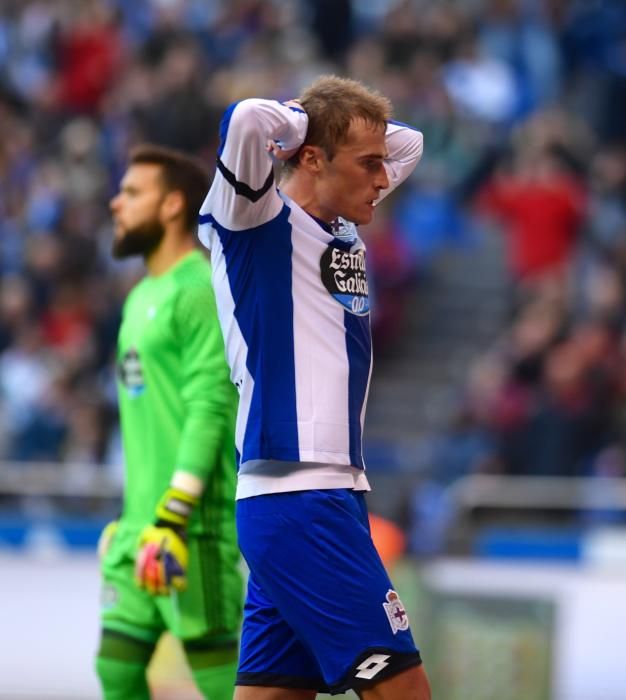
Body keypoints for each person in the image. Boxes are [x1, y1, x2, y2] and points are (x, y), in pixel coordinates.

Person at [198, 75, 431, 699]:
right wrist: (312, 119)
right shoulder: (251, 219)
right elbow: (249, 118)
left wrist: (345, 126)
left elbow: (411, 145)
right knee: (404, 691)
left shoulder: (343, 220)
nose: (385, 179)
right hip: (300, 494)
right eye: (368, 165)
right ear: (309, 157)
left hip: (320, 495)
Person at [96, 144, 242, 700]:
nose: (117, 203)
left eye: (133, 193)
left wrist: (173, 515)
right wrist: (135, 517)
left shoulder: (199, 289)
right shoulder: (140, 299)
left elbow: (209, 406)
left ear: (173, 205)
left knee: (225, 684)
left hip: (189, 529)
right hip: (139, 530)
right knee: (117, 670)